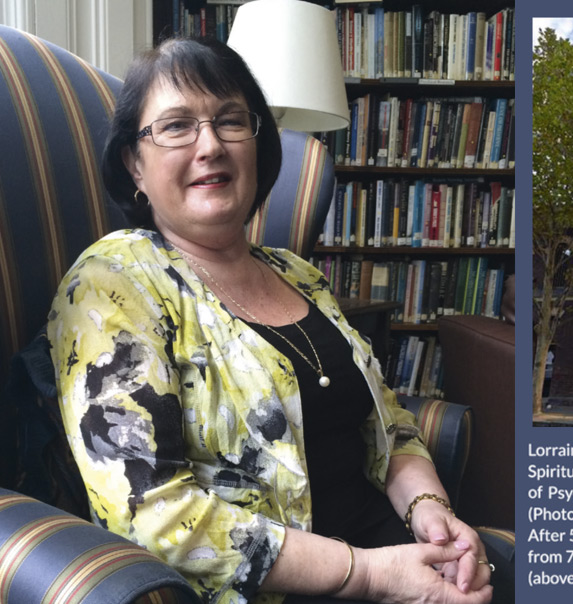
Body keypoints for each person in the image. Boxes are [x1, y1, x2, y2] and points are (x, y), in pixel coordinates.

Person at [47, 37, 493, 604]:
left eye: (230, 121)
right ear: (135, 163)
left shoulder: (299, 274)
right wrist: (373, 575)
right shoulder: (112, 283)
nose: (210, 145)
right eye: (177, 126)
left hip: (398, 551)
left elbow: (391, 424)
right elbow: (152, 509)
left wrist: (434, 515)